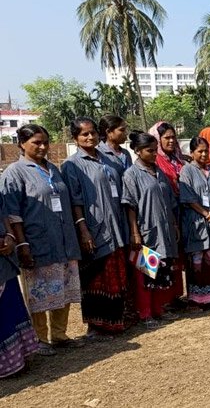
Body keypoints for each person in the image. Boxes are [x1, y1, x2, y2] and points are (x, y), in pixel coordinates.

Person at [2, 124, 82, 356]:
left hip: (64, 241)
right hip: (37, 243)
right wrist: (23, 244)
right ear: (21, 144)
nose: (43, 146)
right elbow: (12, 212)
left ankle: (59, 334)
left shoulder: (52, 169)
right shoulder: (14, 172)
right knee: (39, 292)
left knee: (64, 287)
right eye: (36, 142)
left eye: (45, 141)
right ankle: (40, 338)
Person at [62, 117, 129, 339]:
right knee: (96, 277)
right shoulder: (72, 165)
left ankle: (115, 321)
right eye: (84, 134)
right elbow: (75, 201)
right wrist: (83, 230)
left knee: (116, 276)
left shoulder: (107, 161)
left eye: (92, 133)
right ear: (75, 138)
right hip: (94, 229)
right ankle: (96, 325)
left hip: (115, 227)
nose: (90, 137)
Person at [121, 132, 179, 329]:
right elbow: (130, 205)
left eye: (156, 150)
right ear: (137, 151)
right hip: (146, 230)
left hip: (164, 228)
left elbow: (170, 201)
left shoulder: (159, 171)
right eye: (150, 150)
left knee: (160, 270)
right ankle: (145, 313)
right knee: (146, 273)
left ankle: (158, 309)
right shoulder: (131, 174)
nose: (154, 154)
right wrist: (135, 232)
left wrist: (174, 225)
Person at [179, 137, 210, 307]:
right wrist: (207, 214)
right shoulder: (187, 171)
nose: (204, 154)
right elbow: (188, 198)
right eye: (200, 151)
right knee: (199, 259)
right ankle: (199, 299)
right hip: (196, 223)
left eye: (206, 150)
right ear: (192, 153)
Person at [148, 121, 186, 306]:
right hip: (158, 214)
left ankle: (175, 295)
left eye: (173, 137)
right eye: (166, 138)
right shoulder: (154, 162)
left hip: (179, 212)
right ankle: (157, 302)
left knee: (175, 255)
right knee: (157, 256)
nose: (171, 141)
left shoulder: (179, 159)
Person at [0, 201, 39, 375]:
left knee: (10, 307)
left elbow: (4, 213)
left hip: (4, 261)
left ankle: (17, 359)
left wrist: (10, 236)